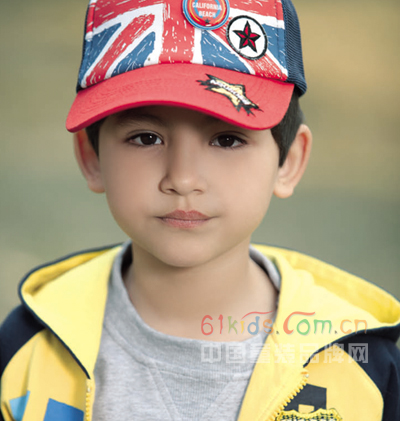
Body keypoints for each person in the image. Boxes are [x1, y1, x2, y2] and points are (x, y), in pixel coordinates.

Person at [1, 0, 399, 419]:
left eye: (227, 139)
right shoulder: (28, 351)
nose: (183, 178)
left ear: (289, 162)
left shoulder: (361, 366)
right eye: (146, 138)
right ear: (91, 156)